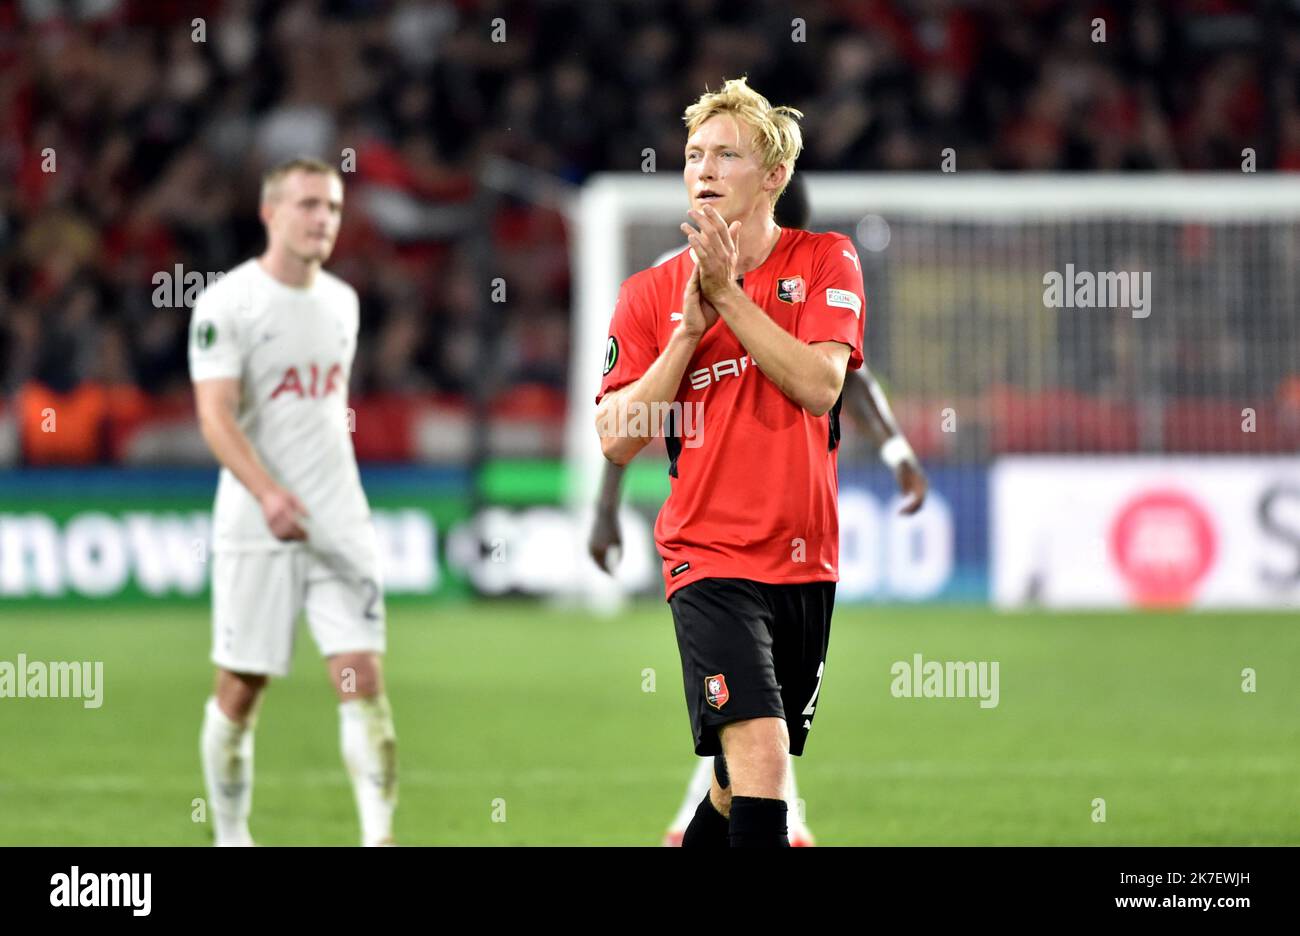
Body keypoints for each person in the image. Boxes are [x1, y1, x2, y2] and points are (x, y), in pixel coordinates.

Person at [588, 175, 928, 846]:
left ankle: (734, 807)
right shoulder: (664, 283)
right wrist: (605, 507)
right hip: (712, 541)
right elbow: (627, 414)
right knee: (762, 751)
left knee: (737, 765)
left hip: (799, 543)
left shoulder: (819, 263)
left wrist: (895, 452)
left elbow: (842, 378)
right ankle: (778, 815)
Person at [189, 157, 397, 846]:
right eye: (309, 204)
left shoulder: (343, 301)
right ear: (270, 212)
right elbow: (216, 417)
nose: (322, 220)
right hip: (257, 525)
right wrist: (269, 492)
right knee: (242, 689)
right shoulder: (226, 305)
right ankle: (230, 835)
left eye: (333, 208)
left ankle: (378, 840)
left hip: (339, 519)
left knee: (361, 681)